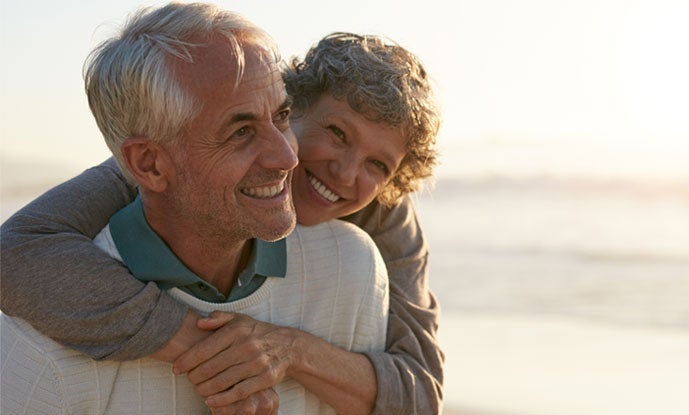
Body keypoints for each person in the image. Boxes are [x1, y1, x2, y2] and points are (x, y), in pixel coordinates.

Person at [0, 3, 441, 414]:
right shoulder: (143, 170)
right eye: (337, 133)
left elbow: (420, 392)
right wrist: (205, 348)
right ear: (293, 103)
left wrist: (289, 349)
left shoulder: (375, 232)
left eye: (378, 165)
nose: (346, 175)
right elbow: (15, 252)